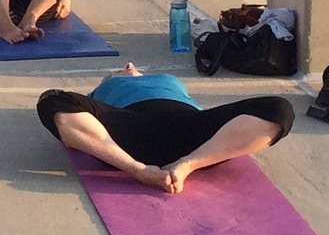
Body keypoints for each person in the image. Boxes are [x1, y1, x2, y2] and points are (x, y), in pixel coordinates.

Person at [39, 64, 294, 194]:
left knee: (279, 108)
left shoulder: (171, 84)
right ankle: (140, 171)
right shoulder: (100, 93)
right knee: (53, 99)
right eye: (116, 72)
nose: (129, 65)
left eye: (134, 68)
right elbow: (75, 125)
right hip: (130, 130)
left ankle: (187, 164)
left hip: (192, 133)